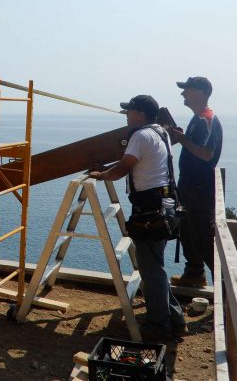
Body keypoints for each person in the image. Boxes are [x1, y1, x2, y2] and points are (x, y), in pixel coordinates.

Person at [89, 95, 186, 341]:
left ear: (141, 114)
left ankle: (158, 326)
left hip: (150, 209)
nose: (127, 115)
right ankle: (175, 320)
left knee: (151, 270)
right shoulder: (160, 132)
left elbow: (122, 168)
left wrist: (101, 174)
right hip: (165, 205)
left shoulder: (140, 136)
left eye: (130, 111)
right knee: (156, 268)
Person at [168, 77, 223, 288]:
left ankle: (226, 289)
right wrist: (183, 137)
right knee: (188, 231)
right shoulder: (197, 118)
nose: (183, 94)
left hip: (199, 188)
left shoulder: (206, 118)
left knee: (202, 236)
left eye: (186, 90)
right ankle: (194, 274)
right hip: (191, 186)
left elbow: (206, 154)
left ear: (200, 92)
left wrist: (182, 140)